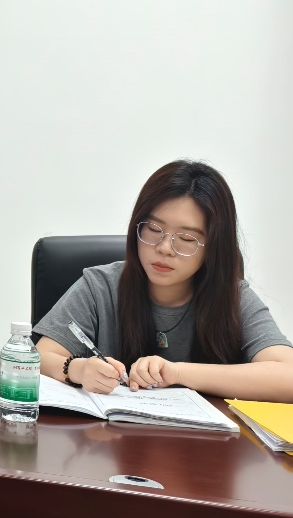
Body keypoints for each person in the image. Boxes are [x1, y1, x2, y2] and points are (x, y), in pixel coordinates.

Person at [35, 160, 293, 401]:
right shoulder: (99, 287)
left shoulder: (233, 298)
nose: (164, 248)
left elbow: (288, 375)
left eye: (187, 239)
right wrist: (78, 369)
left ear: (213, 248)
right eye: (154, 229)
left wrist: (178, 373)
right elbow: (37, 357)